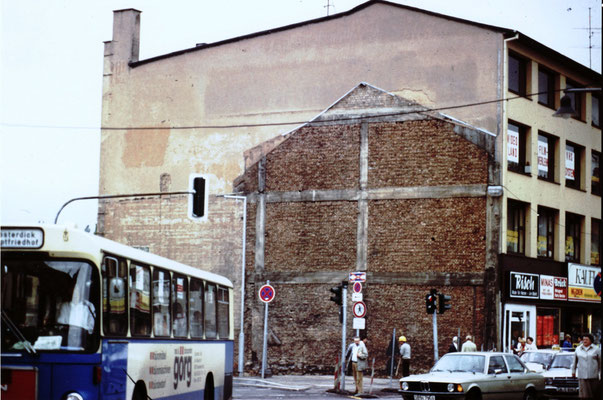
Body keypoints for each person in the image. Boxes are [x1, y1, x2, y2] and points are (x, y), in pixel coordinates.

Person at [572, 333, 601, 400]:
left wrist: (600, 374)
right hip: (582, 375)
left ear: (591, 340)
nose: (584, 341)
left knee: (594, 394)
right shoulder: (578, 349)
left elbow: (600, 362)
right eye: (583, 339)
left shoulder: (596, 349)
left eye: (586, 339)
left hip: (593, 376)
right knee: (584, 395)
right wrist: (573, 371)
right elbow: (574, 362)